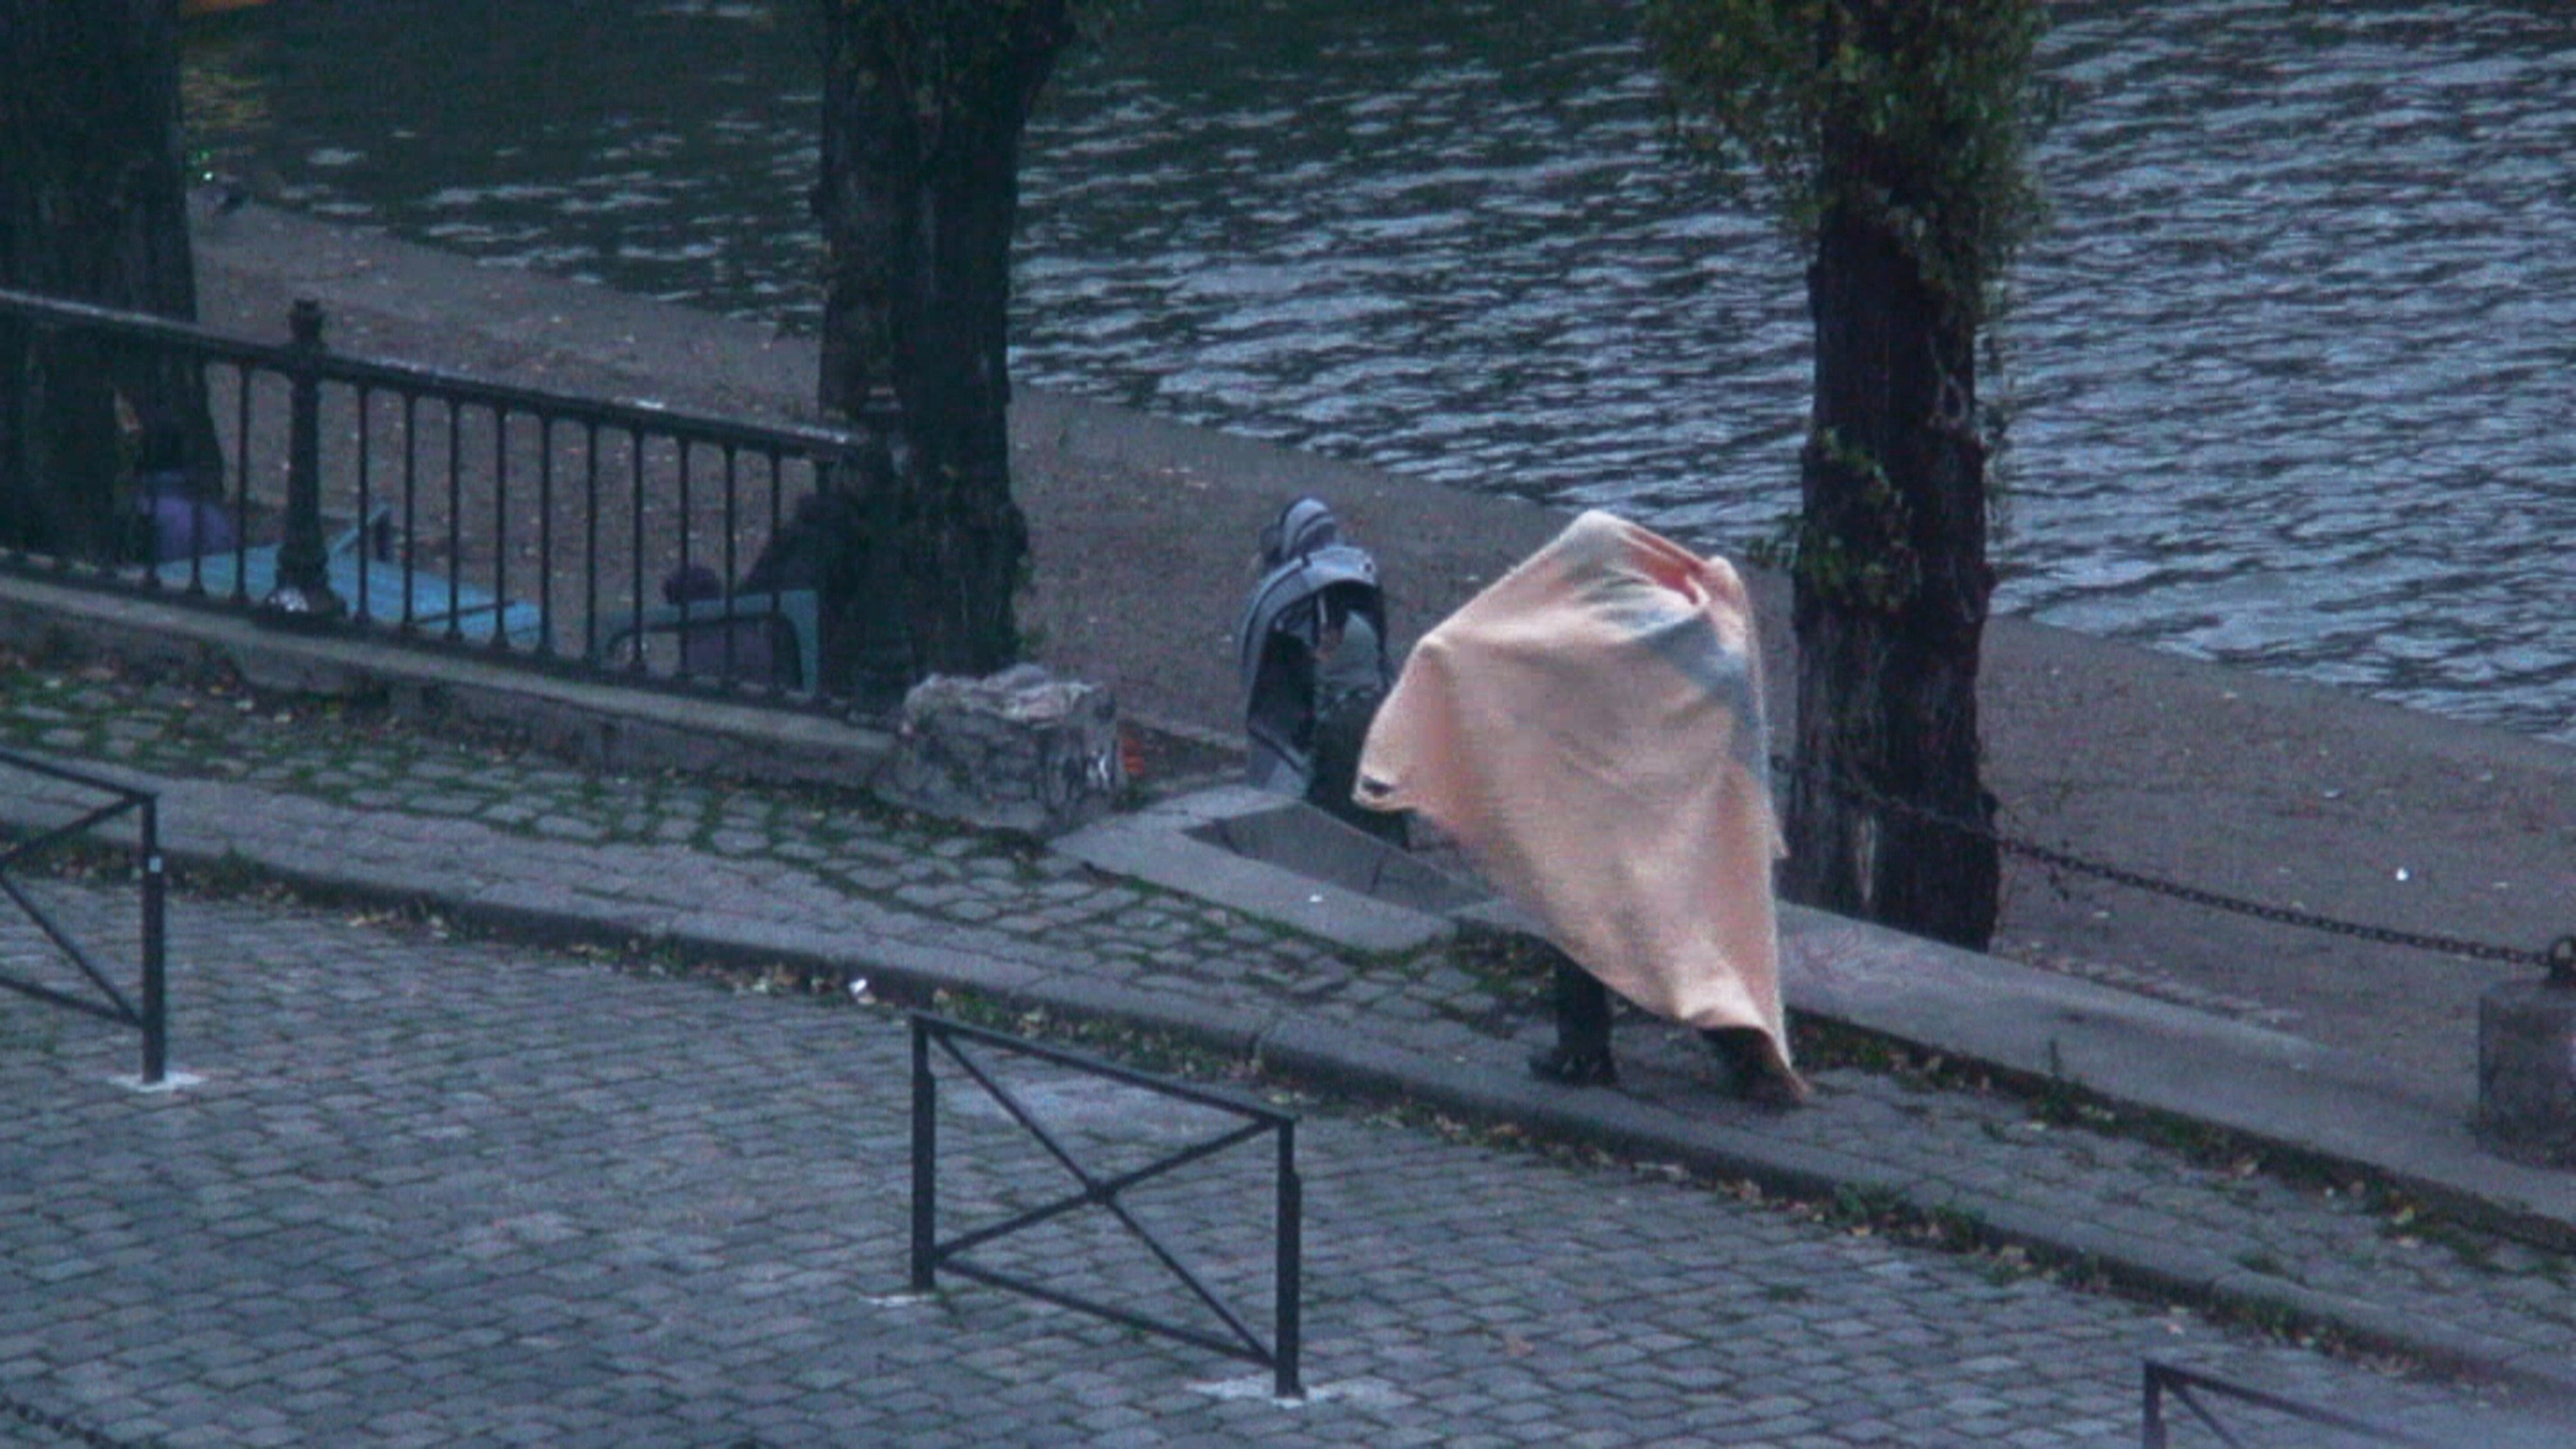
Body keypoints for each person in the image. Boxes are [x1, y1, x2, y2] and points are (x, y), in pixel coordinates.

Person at [1352, 510, 1806, 1106]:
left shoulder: (1582, 635)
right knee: (1660, 924)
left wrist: (1436, 660)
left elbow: (1493, 651)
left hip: (1601, 809)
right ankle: (1739, 1057)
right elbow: (1716, 697)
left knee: (1591, 921)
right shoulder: (1685, 626)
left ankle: (1596, 1052)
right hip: (1653, 808)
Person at [1234, 496, 1401, 842]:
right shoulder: (1357, 579)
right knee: (1382, 824)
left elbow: (1308, 664)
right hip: (1381, 718)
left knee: (1336, 826)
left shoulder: (1308, 595)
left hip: (1339, 730)